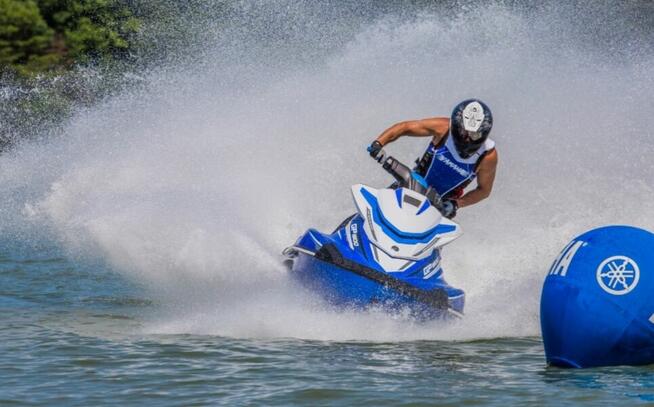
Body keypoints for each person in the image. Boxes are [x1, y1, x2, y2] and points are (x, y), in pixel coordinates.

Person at [367, 99, 498, 219]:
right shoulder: (443, 128)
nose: (467, 139)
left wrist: (456, 204)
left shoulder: (488, 156)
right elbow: (405, 127)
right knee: (374, 213)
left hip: (438, 208)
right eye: (464, 132)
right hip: (409, 186)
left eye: (474, 135)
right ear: (457, 126)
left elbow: (484, 191)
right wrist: (378, 144)